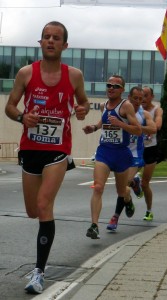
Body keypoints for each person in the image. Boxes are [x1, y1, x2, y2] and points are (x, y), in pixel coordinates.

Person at [5, 21, 89, 294]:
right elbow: (9, 106)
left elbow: (84, 102)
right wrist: (21, 117)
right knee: (33, 211)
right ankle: (41, 260)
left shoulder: (74, 75)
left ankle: (39, 272)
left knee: (43, 205)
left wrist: (82, 110)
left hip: (58, 149)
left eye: (56, 38)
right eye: (46, 37)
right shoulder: (26, 73)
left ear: (65, 45)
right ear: (40, 43)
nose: (50, 41)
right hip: (30, 148)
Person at [83, 75, 142, 239]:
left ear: (122, 90)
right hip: (104, 152)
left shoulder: (127, 106)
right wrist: (93, 127)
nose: (111, 88)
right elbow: (104, 122)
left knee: (121, 191)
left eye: (115, 86)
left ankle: (128, 199)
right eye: (109, 85)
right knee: (98, 187)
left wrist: (121, 124)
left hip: (121, 153)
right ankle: (94, 226)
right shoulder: (104, 106)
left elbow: (137, 130)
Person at [107, 86, 156, 231]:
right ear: (129, 97)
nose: (138, 102)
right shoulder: (122, 110)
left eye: (141, 99)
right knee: (124, 190)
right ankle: (129, 198)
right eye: (136, 98)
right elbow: (105, 109)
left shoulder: (144, 114)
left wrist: (137, 129)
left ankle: (115, 217)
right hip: (121, 152)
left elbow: (153, 129)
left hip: (135, 156)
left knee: (123, 186)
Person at [141, 86, 163, 221]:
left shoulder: (157, 109)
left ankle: (149, 210)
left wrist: (150, 124)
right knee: (127, 180)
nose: (143, 98)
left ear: (152, 97)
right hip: (136, 149)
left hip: (150, 149)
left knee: (145, 183)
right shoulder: (135, 109)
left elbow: (158, 126)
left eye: (146, 95)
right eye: (141, 95)